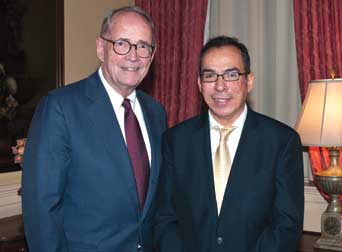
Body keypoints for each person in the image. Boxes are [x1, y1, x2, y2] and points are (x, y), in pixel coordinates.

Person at [22, 6, 167, 252]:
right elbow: (41, 207)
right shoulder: (60, 108)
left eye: (143, 46)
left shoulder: (156, 113)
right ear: (101, 48)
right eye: (122, 43)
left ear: (152, 56)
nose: (133, 56)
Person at [153, 36, 304, 252]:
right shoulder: (175, 141)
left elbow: (287, 227)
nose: (220, 86)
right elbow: (165, 220)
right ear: (199, 84)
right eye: (210, 75)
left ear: (249, 81)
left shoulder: (282, 142)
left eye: (232, 75)